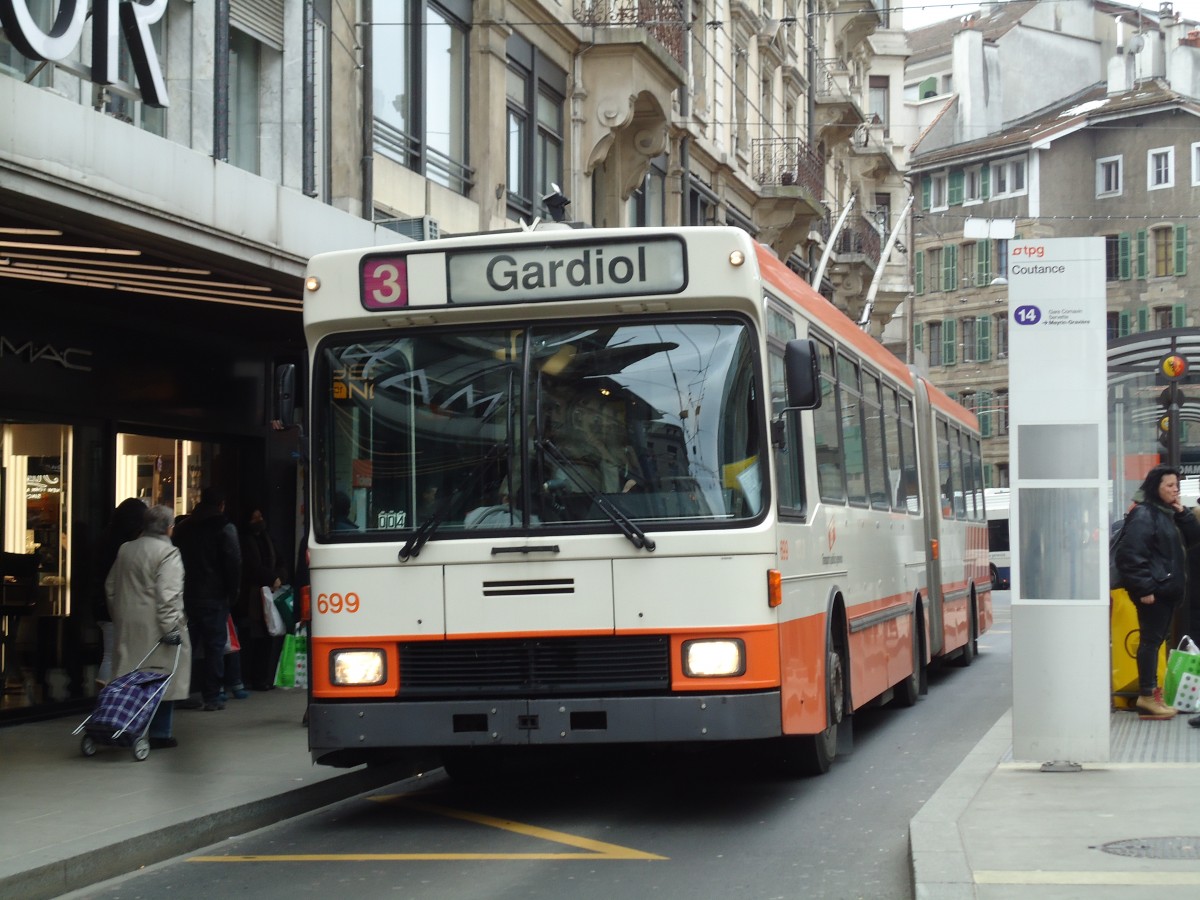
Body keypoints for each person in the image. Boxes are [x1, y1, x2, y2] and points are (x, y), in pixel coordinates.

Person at [1113, 464, 1200, 719]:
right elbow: (1130, 555)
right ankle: (1147, 696)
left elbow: (1193, 537)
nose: (1175, 490)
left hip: (1165, 590)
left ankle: (1152, 695)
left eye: (1177, 486)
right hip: (1155, 592)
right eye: (1170, 486)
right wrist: (1145, 588)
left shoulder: (1165, 512)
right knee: (1150, 643)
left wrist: (1182, 512)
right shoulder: (1144, 514)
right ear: (1156, 487)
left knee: (1155, 641)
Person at [105, 504, 191, 749]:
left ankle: (122, 723)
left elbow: (111, 587)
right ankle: (161, 733)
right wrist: (171, 629)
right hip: (156, 629)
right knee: (162, 679)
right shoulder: (168, 553)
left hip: (128, 624)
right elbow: (169, 595)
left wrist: (120, 614)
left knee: (128, 678)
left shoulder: (126, 549)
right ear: (169, 528)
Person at [173, 486, 242, 711]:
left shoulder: (183, 528)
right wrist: (233, 593)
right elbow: (233, 563)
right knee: (214, 646)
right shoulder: (224, 528)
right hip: (214, 596)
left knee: (185, 647)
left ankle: (180, 692)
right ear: (221, 505)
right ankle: (211, 695)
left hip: (186, 594)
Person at [90, 498, 146, 687]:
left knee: (110, 652)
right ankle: (108, 689)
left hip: (101, 604)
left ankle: (105, 685)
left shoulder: (104, 538)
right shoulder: (129, 545)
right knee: (120, 654)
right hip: (121, 605)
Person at [238, 506, 289, 691]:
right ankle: (255, 678)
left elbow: (281, 560)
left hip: (269, 592)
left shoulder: (268, 538)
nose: (258, 521)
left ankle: (264, 677)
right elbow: (251, 566)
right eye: (254, 517)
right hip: (253, 596)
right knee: (256, 637)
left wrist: (279, 577)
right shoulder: (245, 540)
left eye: (260, 516)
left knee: (269, 636)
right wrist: (271, 578)